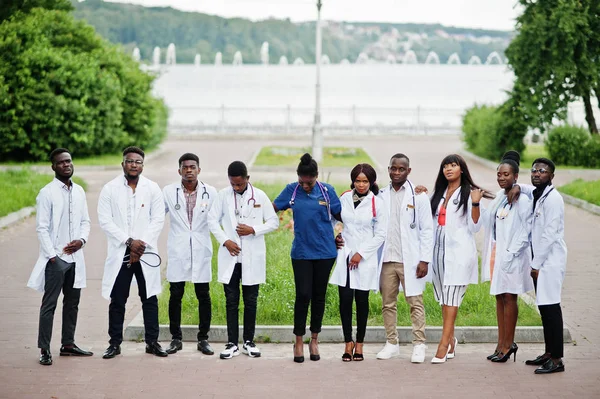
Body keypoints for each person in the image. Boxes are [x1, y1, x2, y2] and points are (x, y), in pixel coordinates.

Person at [98, 146, 167, 359]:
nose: (133, 165)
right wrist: (129, 242)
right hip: (122, 252)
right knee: (118, 299)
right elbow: (105, 220)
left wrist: (141, 244)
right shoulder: (109, 188)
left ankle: (152, 342)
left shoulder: (153, 188)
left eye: (137, 162)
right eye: (130, 161)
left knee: (149, 298)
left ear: (143, 165)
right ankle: (114, 343)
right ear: (123, 164)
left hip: (144, 252)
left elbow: (158, 219)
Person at [273, 153, 342, 363]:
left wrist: (341, 235)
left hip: (326, 253)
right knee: (303, 295)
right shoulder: (291, 191)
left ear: (316, 176)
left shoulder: (327, 191)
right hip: (302, 253)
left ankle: (314, 339)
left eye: (309, 182)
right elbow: (270, 210)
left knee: (319, 296)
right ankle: (299, 341)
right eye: (302, 182)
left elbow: (346, 216)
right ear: (297, 177)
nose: (305, 186)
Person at [28, 148, 93, 365]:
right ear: (54, 167)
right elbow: (42, 228)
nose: (66, 165)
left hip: (76, 257)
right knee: (49, 305)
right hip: (56, 259)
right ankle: (44, 349)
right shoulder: (47, 193)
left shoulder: (80, 191)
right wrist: (52, 256)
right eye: (61, 162)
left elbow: (86, 221)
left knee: (72, 303)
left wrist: (81, 241)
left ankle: (68, 344)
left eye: (69, 161)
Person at [208, 161, 279, 359]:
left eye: (239, 184)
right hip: (231, 256)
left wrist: (254, 230)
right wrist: (225, 241)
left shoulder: (260, 196)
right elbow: (212, 220)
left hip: (252, 256)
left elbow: (274, 222)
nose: (236, 187)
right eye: (233, 184)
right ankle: (232, 343)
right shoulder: (223, 195)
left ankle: (249, 341)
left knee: (251, 301)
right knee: (231, 301)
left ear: (247, 179)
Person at [429, 154, 492, 363]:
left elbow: (475, 227)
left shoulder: (469, 193)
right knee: (444, 301)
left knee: (452, 299)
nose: (449, 169)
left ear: (461, 169)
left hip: (459, 255)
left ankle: (443, 344)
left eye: (453, 165)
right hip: (438, 254)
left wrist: (475, 204)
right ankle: (452, 340)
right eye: (445, 166)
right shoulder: (439, 193)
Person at [510, 158, 567, 374]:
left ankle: (557, 358)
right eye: (534, 170)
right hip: (541, 261)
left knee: (551, 308)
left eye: (542, 171)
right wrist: (518, 186)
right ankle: (548, 352)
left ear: (551, 176)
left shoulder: (553, 200)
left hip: (548, 261)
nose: (536, 174)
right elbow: (526, 187)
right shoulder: (539, 194)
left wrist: (535, 263)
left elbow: (549, 235)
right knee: (543, 307)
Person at [375, 154, 434, 363]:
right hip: (387, 258)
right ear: (388, 169)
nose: (397, 173)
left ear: (409, 171)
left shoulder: (419, 196)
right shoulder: (381, 194)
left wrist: (425, 259)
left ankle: (419, 345)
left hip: (410, 259)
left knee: (415, 302)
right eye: (393, 168)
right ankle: (392, 343)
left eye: (401, 169)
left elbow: (427, 230)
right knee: (388, 303)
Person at [329, 163, 388, 362]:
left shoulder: (377, 203)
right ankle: (348, 342)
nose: (361, 185)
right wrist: (336, 237)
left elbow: (380, 235)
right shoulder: (345, 198)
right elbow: (334, 218)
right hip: (345, 254)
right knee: (345, 301)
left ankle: (360, 343)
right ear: (352, 181)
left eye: (365, 181)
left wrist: (360, 254)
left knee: (361, 302)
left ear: (371, 182)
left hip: (364, 258)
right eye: (358, 181)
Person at [479, 151, 534, 363]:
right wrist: (478, 200)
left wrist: (512, 254)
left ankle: (508, 345)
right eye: (499, 174)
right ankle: (500, 343)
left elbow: (525, 230)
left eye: (506, 174)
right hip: (497, 253)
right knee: (499, 296)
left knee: (510, 297)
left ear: (516, 176)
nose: (501, 178)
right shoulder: (501, 196)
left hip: (512, 255)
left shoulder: (522, 198)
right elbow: (488, 220)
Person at [162, 153, 218, 355]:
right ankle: (175, 338)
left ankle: (203, 338)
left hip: (201, 248)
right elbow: (157, 217)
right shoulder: (169, 191)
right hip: (179, 249)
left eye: (192, 167)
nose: (189, 170)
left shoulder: (210, 192)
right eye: (185, 167)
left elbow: (218, 219)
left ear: (199, 170)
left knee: (203, 294)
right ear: (179, 171)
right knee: (175, 294)